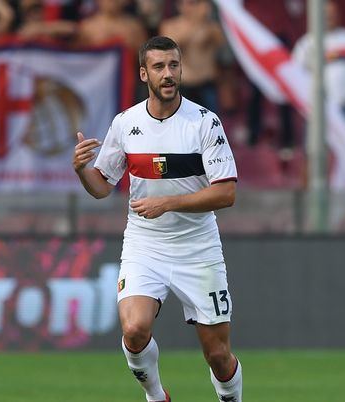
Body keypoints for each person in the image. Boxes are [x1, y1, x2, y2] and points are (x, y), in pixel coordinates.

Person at [72, 36, 242, 402]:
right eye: (159, 67)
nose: (168, 74)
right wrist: (82, 170)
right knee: (133, 329)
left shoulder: (203, 123)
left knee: (218, 355)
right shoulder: (126, 123)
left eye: (174, 66)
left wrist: (169, 203)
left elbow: (226, 193)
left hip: (198, 248)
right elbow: (102, 187)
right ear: (143, 73)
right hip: (145, 244)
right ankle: (155, 396)